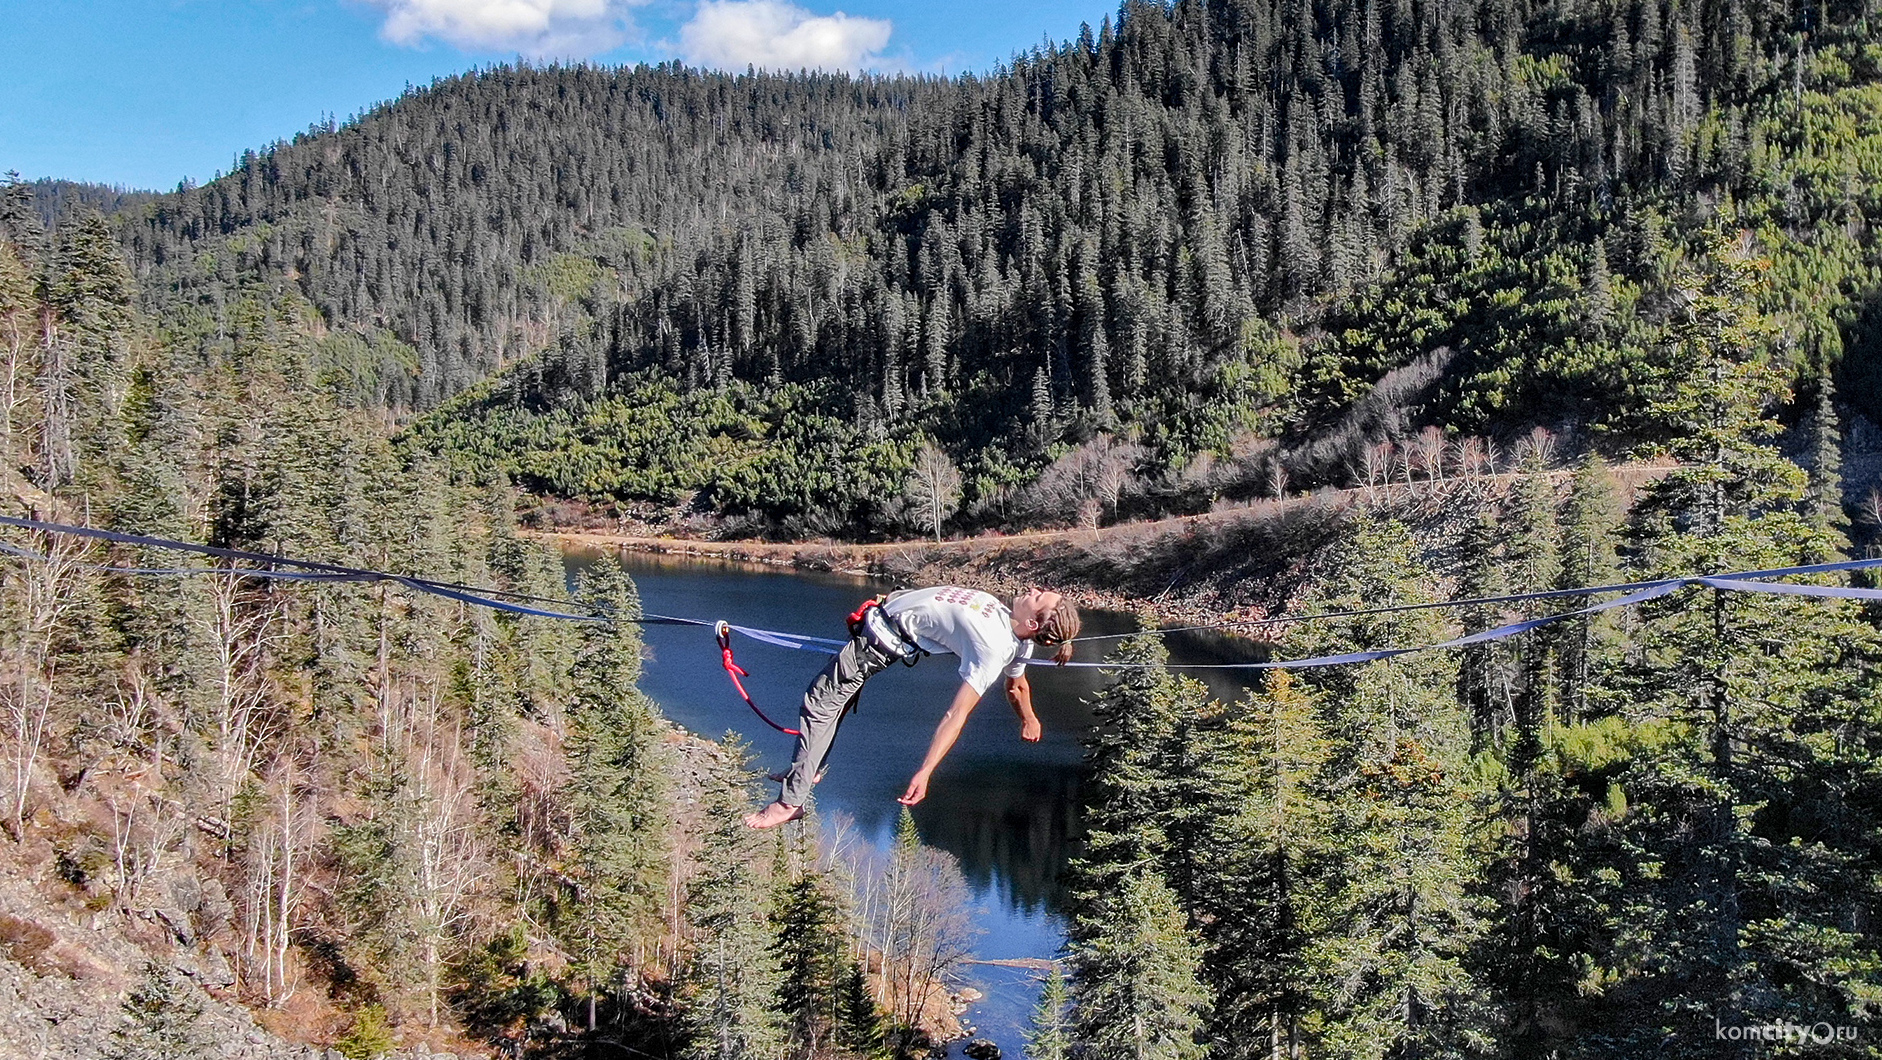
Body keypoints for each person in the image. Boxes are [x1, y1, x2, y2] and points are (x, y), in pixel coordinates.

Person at [744, 585, 1081, 829]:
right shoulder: (1008, 623)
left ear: (1034, 624)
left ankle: (789, 803)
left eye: (1038, 598)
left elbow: (956, 715)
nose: (1034, 590)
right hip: (880, 620)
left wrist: (925, 771)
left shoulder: (993, 647)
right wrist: (1029, 719)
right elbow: (1018, 684)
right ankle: (805, 770)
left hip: (874, 645)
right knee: (831, 706)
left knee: (820, 705)